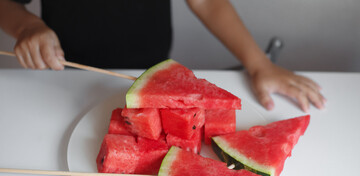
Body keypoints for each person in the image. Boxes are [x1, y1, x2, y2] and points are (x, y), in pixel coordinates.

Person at [0, 0, 325, 112]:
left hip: (151, 68)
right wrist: (28, 26)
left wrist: (259, 64)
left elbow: (206, 2)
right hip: (62, 76)